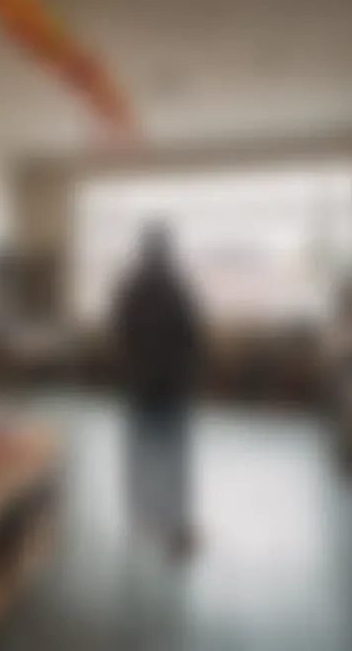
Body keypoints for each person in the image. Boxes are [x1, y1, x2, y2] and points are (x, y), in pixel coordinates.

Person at [111, 222, 202, 558]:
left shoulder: (132, 286)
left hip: (146, 379)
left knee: (144, 449)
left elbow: (119, 330)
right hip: (168, 380)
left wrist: (133, 362)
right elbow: (192, 334)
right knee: (171, 452)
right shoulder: (176, 286)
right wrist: (189, 365)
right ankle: (170, 520)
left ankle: (146, 518)